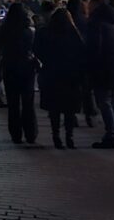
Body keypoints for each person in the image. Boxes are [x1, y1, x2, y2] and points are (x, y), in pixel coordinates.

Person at [33, 8, 83, 149]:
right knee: (69, 109)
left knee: (54, 109)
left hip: (52, 74)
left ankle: (56, 136)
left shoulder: (45, 33)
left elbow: (37, 50)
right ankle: (69, 137)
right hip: (70, 76)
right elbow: (82, 53)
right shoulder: (73, 33)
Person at [86, 0, 114, 149]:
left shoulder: (96, 24)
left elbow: (95, 48)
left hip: (103, 69)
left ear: (95, 5)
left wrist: (91, 67)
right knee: (113, 101)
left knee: (105, 102)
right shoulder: (113, 23)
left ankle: (111, 135)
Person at [0, 3, 38, 144]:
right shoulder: (29, 31)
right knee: (28, 102)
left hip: (10, 67)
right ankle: (30, 133)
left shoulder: (5, 30)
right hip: (26, 67)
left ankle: (16, 134)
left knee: (13, 103)